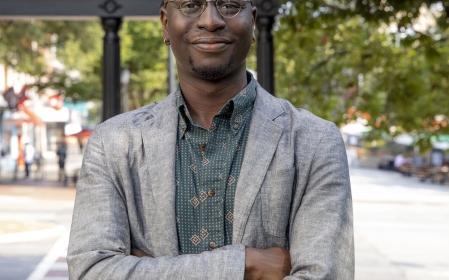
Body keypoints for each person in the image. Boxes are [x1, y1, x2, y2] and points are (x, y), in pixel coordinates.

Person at [67, 0, 354, 279]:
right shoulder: (113, 143)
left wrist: (150, 269)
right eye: (191, 5)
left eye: (229, 5)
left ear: (252, 21)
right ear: (166, 24)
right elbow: (91, 271)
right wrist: (245, 265)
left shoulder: (314, 141)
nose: (210, 20)